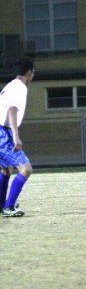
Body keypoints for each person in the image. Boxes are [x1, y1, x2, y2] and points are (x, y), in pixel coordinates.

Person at [0, 57, 35, 216]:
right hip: (3, 132)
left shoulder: (10, 86)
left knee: (6, 169)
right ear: (29, 73)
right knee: (25, 168)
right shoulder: (20, 87)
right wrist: (15, 135)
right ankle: (9, 207)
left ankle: (3, 205)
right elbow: (12, 109)